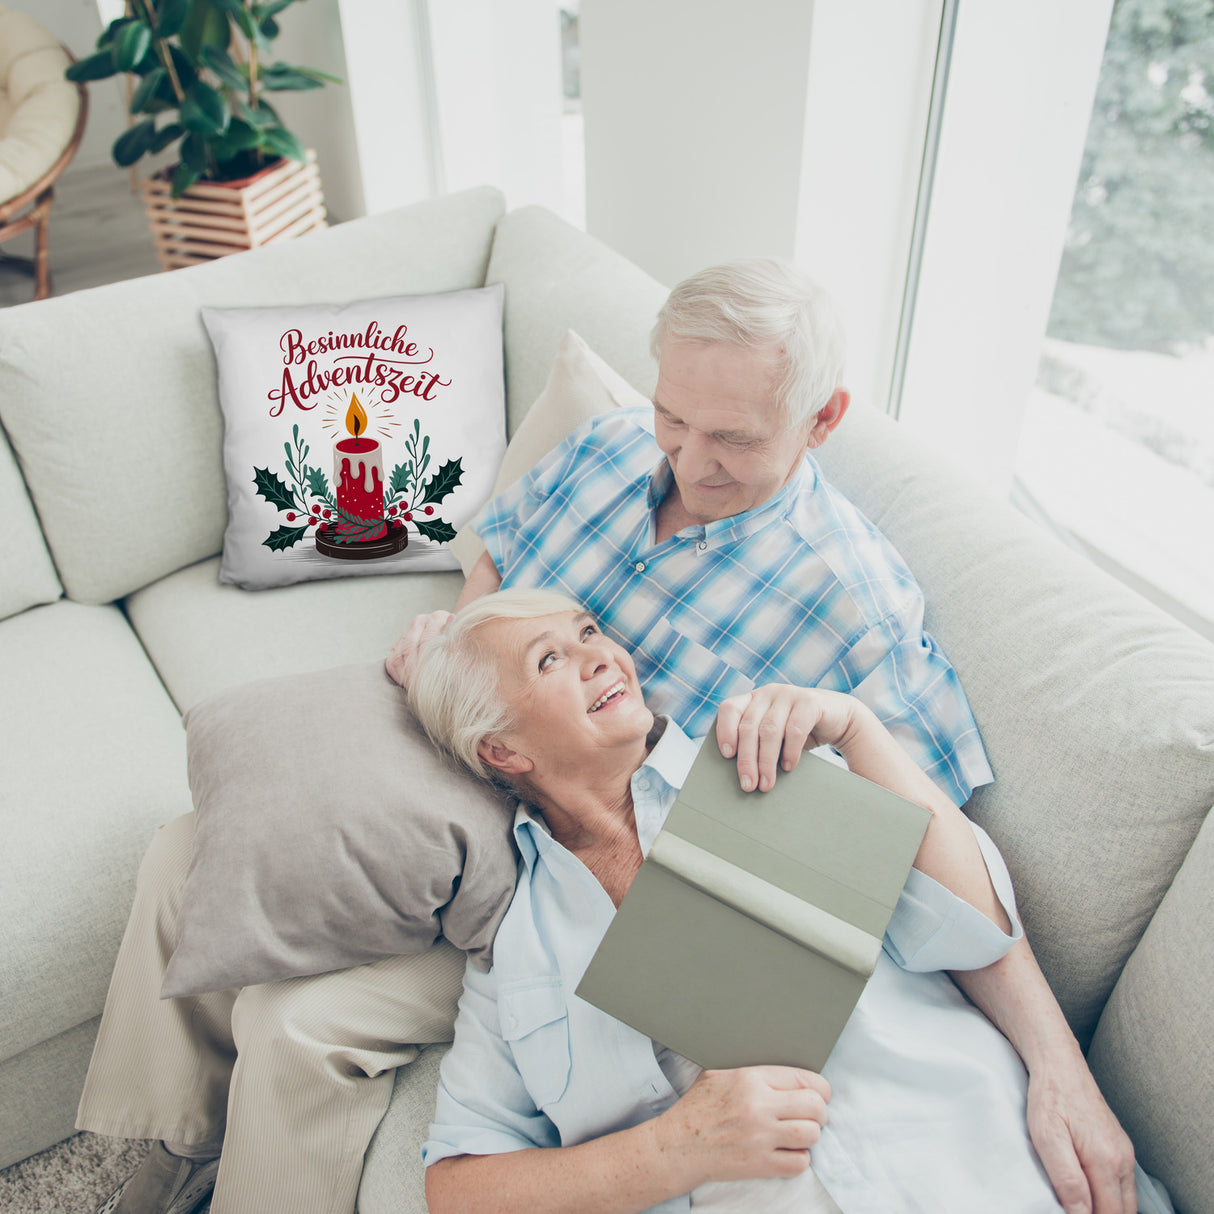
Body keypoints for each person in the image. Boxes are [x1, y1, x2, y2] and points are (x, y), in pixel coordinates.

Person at [389, 259, 1136, 1213]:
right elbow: (500, 550)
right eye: (674, 418)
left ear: (822, 420)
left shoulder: (830, 662)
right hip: (493, 835)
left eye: (732, 438)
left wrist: (1058, 1069)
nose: (689, 462)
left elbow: (944, 886)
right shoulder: (608, 450)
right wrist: (462, 657)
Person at [407, 589, 1161, 1214]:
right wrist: (673, 1150)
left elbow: (973, 929)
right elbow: (458, 1187)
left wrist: (859, 731)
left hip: (985, 1167)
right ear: (502, 750)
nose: (601, 655)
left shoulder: (762, 762)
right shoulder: (516, 951)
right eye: (550, 659)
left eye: (589, 632)